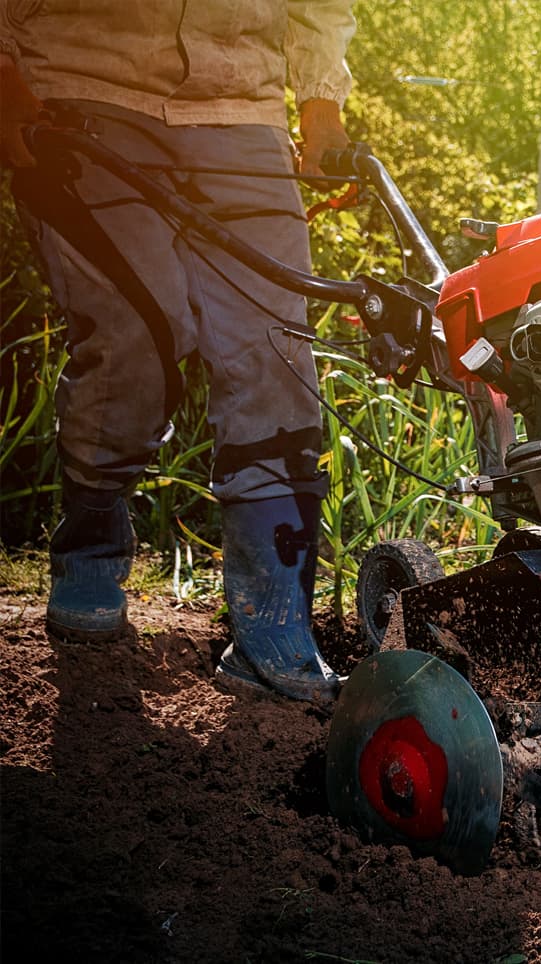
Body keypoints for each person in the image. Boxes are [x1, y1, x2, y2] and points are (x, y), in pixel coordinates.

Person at [1, 2, 357, 702]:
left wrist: (320, 101)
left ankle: (274, 618)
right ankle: (93, 532)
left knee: (275, 347)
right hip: (82, 82)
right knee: (140, 332)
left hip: (240, 103)